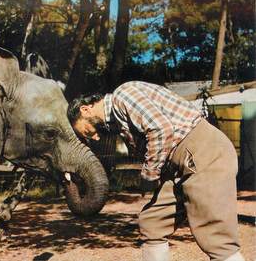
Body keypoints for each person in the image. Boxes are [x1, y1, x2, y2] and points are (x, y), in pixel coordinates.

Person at [67, 81, 245, 261]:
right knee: (153, 222)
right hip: (178, 164)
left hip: (202, 151)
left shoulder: (123, 94)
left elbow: (160, 129)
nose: (95, 137)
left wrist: (149, 175)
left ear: (85, 110)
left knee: (216, 238)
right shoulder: (117, 120)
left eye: (87, 132)